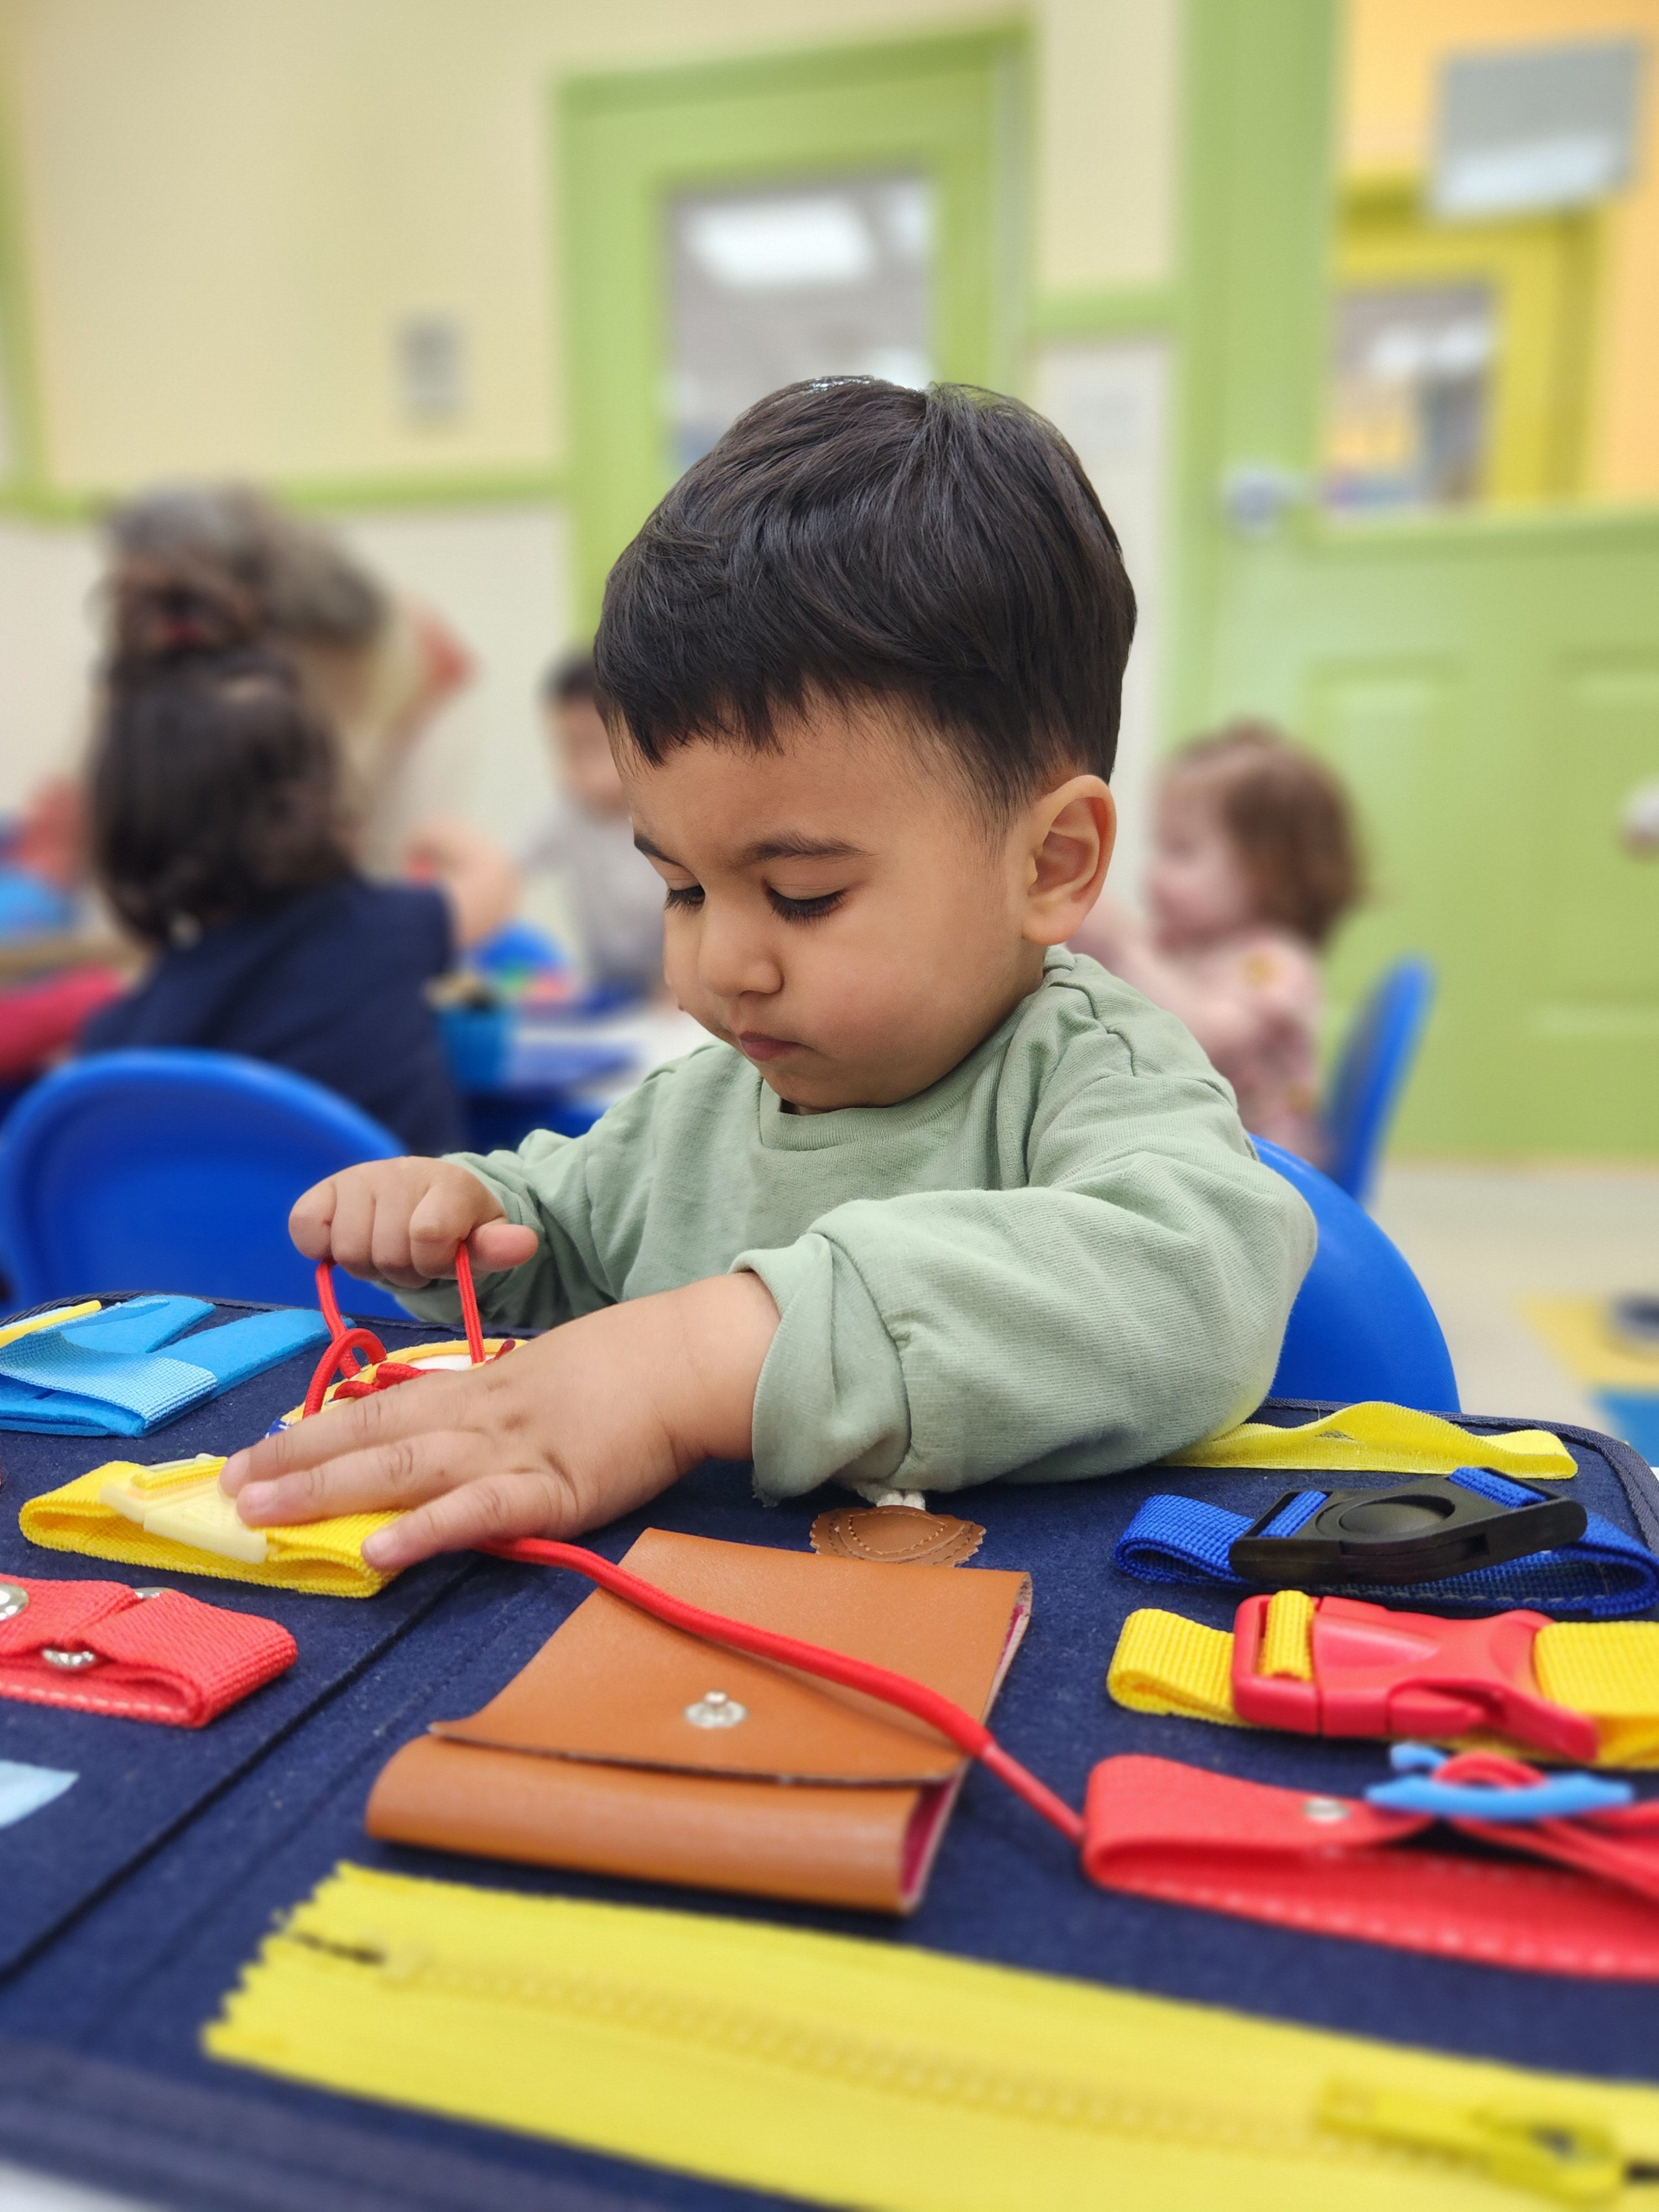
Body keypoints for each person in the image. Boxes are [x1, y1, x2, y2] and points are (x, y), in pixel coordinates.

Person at [220, 378, 1315, 1569]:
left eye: (802, 895)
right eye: (682, 887)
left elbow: (1198, 1284)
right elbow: (565, 1243)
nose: (719, 964)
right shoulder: (694, 1112)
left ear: (1050, 862)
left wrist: (699, 1358)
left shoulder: (1086, 1078)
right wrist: (461, 1213)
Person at [77, 576, 514, 1154]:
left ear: (130, 832)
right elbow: (496, 882)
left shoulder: (115, 1047)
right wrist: (438, 834)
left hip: (209, 1249)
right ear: (317, 793)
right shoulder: (382, 931)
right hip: (392, 1247)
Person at [103, 484, 474, 873]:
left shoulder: (313, 623)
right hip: (366, 683)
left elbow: (340, 760)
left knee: (376, 854)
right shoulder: (169, 628)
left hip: (424, 693)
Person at [1072, 724, 1361, 1164]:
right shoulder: (1186, 944)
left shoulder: (1277, 966)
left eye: (1180, 851)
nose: (1154, 874)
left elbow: (1204, 1035)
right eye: (1159, 847)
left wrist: (1123, 949)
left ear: (1267, 872)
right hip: (1202, 1146)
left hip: (1263, 1168)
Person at [517, 650, 666, 992]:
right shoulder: (567, 814)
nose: (574, 767)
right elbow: (506, 867)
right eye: (565, 748)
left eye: (589, 746)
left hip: (671, 985)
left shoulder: (663, 813)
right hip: (606, 982)